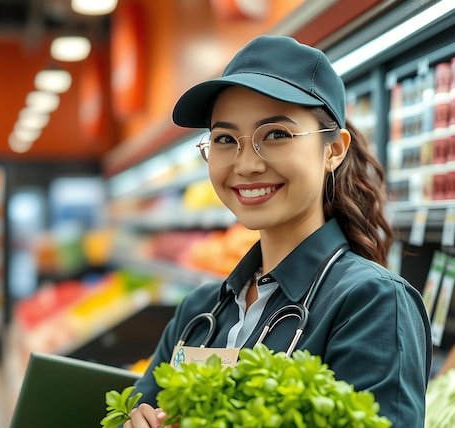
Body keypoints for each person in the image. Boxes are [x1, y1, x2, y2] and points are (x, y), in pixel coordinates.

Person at [125, 35, 432, 427]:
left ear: (334, 150)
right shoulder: (200, 311)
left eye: (275, 135)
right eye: (224, 139)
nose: (247, 164)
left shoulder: (373, 302)